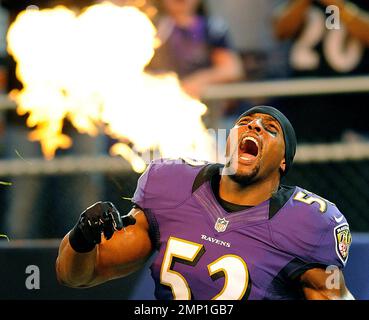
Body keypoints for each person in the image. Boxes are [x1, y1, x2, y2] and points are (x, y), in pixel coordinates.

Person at [56, 105, 354, 300]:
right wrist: (83, 237)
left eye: (270, 128)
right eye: (245, 122)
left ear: (284, 161)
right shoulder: (171, 183)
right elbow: (78, 275)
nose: (254, 127)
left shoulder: (310, 223)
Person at [147, 0, 244, 99]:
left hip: (202, 103)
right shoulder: (149, 27)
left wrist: (199, 80)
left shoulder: (211, 27)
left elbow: (231, 69)